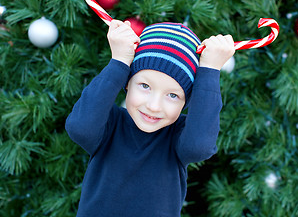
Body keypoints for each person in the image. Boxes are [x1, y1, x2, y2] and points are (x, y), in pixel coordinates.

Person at [65, 19, 235, 217]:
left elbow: (199, 146)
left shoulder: (178, 138)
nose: (153, 106)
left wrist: (209, 71)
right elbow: (80, 127)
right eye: (145, 86)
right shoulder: (109, 125)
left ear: (185, 103)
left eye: (173, 96)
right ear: (127, 82)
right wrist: (119, 62)